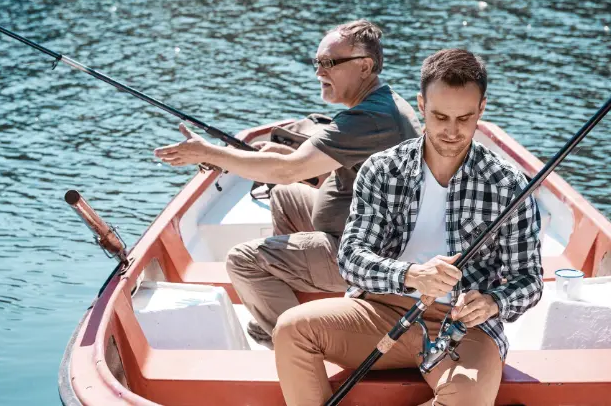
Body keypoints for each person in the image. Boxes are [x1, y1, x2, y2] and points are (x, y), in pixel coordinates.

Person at [273, 48, 544, 406]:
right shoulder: (382, 169)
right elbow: (351, 258)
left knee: (467, 397)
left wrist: (494, 302)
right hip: (381, 311)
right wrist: (412, 275)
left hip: (464, 327)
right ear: (421, 105)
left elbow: (529, 279)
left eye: (464, 118)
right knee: (291, 330)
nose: (451, 130)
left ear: (482, 109)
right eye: (440, 116)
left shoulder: (508, 185)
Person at [154, 20, 422, 342]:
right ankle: (284, 303)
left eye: (329, 63)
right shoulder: (381, 104)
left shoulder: (370, 118)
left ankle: (294, 341)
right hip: (365, 227)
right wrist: (286, 156)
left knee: (243, 261)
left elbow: (286, 170)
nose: (319, 72)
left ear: (365, 66)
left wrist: (210, 153)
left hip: (368, 253)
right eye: (317, 62)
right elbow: (314, 170)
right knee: (285, 195)